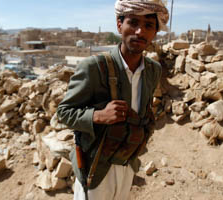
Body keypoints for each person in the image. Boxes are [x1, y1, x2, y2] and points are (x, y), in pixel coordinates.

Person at [57, 0, 169, 199]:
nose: (140, 31)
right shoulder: (94, 67)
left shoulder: (153, 70)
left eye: (148, 26)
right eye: (133, 22)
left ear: (155, 32)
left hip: (128, 163)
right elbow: (64, 113)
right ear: (120, 25)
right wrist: (98, 116)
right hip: (96, 168)